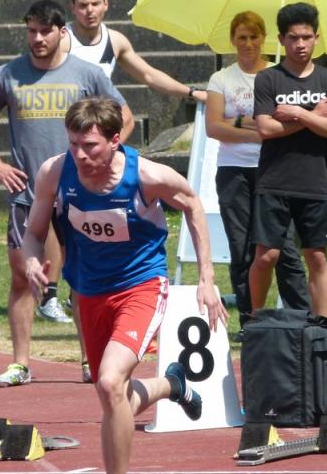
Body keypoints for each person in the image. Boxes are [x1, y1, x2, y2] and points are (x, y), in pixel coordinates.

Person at [23, 97, 225, 474]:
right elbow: (34, 234)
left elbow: (193, 206)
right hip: (88, 289)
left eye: (90, 146)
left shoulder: (147, 176)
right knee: (114, 395)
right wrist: (32, 261)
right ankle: (172, 385)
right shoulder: (54, 172)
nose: (80, 155)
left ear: (115, 140)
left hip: (141, 285)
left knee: (110, 382)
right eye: (73, 144)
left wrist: (206, 279)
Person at [0, 0, 133, 387]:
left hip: (79, 194)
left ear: (63, 33)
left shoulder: (87, 73)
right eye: (31, 31)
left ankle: (88, 360)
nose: (38, 38)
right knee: (21, 276)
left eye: (45, 31)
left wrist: (103, 157)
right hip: (27, 193)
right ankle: (20, 364)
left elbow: (123, 116)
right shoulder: (9, 74)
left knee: (83, 278)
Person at [205, 11, 309, 331]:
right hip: (234, 170)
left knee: (284, 248)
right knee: (243, 246)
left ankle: (301, 317)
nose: (248, 44)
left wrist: (241, 122)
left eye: (254, 36)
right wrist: (255, 128)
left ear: (264, 38)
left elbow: (293, 121)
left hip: (275, 170)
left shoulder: (281, 76)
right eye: (241, 38)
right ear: (233, 41)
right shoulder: (221, 79)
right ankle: (250, 319)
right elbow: (214, 126)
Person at [249, 2, 327, 318]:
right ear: (281, 39)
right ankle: (255, 318)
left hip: (315, 181)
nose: (300, 45)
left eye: (306, 37)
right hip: (274, 181)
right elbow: (265, 127)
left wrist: (298, 113)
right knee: (267, 256)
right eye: (293, 38)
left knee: (317, 257)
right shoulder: (267, 80)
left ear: (317, 37)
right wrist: (313, 117)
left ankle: (322, 328)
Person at [64, 0, 207, 102]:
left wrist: (191, 92)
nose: (90, 10)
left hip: (99, 119)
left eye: (95, 4)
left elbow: (148, 75)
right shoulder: (62, 39)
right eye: (83, 5)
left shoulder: (115, 41)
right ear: (73, 8)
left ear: (105, 4)